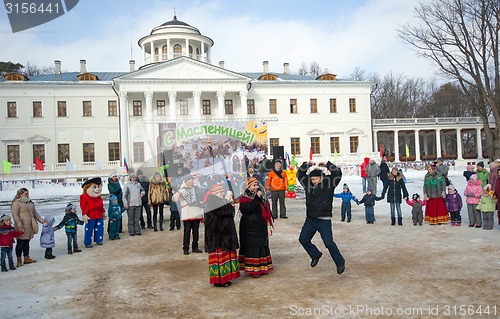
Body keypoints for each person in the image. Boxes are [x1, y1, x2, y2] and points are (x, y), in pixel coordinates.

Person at [297, 161, 345, 274]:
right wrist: (306, 165)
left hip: (324, 220)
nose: (313, 181)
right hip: (310, 219)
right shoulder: (308, 184)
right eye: (312, 179)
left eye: (315, 179)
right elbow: (300, 174)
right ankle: (315, 254)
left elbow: (337, 173)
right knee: (303, 239)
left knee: (328, 243)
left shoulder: (329, 183)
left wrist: (328, 164)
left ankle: (340, 262)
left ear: (321, 178)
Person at [204, 184, 240, 287]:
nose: (222, 193)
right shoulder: (211, 201)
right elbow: (223, 211)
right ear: (215, 192)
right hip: (217, 235)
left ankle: (226, 278)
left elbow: (231, 211)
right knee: (219, 258)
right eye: (220, 192)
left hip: (224, 234)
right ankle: (218, 280)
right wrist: (227, 199)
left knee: (226, 257)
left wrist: (226, 200)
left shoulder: (219, 200)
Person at [238, 177, 274, 277]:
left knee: (261, 245)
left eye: (257, 185)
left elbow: (266, 207)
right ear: (248, 187)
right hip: (249, 227)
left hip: (260, 225)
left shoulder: (262, 195)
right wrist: (257, 198)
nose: (256, 187)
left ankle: (262, 268)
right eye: (253, 185)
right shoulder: (244, 197)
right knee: (252, 247)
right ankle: (253, 270)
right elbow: (247, 209)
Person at [11, 188, 45, 266]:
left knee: (27, 242)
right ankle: (19, 259)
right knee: (20, 243)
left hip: (29, 226)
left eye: (28, 194)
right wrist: (19, 225)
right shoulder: (16, 203)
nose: (27, 195)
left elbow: (35, 213)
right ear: (20, 194)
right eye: (26, 194)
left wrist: (42, 220)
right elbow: (15, 215)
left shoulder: (29, 202)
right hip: (22, 226)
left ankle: (26, 258)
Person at [174, 175, 204, 255]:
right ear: (185, 182)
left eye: (191, 180)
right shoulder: (182, 190)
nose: (191, 181)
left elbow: (201, 197)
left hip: (196, 212)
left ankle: (195, 247)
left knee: (196, 231)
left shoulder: (197, 189)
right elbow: (174, 199)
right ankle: (185, 248)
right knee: (187, 231)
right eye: (189, 180)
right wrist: (179, 194)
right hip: (187, 213)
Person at [80, 177, 106, 248]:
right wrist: (84, 214)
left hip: (99, 215)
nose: (97, 189)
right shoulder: (84, 197)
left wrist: (103, 212)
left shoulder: (99, 198)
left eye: (98, 187)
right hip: (90, 216)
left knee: (99, 228)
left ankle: (99, 240)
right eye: (94, 187)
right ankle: (87, 242)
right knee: (89, 229)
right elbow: (83, 206)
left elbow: (101, 206)